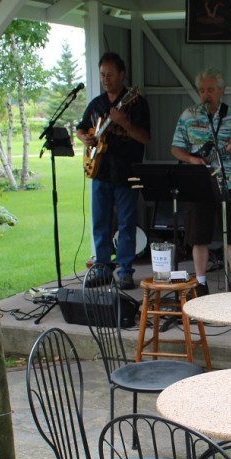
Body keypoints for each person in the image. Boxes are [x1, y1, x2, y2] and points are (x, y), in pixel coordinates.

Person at [170, 67, 231, 294]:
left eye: (211, 90)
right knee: (198, 236)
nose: (206, 94)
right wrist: (191, 159)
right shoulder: (188, 116)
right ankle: (201, 283)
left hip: (229, 182)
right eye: (202, 90)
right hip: (199, 183)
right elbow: (175, 148)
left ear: (222, 91)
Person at [75, 52, 150, 290]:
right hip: (101, 172)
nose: (106, 79)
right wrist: (85, 138)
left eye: (110, 75)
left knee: (126, 224)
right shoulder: (96, 104)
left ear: (121, 74)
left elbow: (144, 137)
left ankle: (125, 271)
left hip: (127, 172)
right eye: (102, 75)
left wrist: (124, 122)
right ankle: (103, 269)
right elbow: (81, 128)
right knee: (101, 223)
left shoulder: (136, 103)